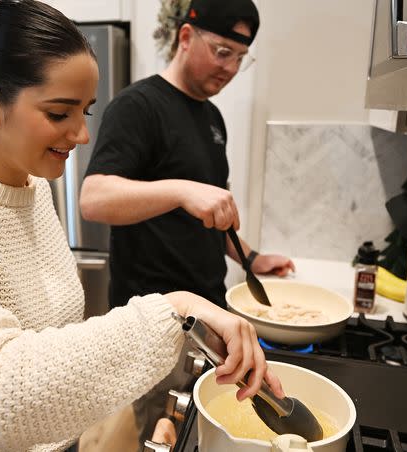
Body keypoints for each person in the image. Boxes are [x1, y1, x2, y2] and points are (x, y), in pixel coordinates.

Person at [0, 1, 284, 451]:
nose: (82, 135)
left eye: (84, 112)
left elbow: (48, 342)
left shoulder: (31, 190)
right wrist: (174, 309)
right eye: (58, 113)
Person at [79, 0, 296, 444]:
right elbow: (93, 199)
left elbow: (210, 215)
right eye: (221, 51)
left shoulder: (211, 118)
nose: (231, 67)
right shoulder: (137, 106)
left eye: (241, 57)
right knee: (160, 435)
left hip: (210, 315)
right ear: (185, 37)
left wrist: (251, 257)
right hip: (156, 323)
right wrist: (180, 188)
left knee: (200, 434)